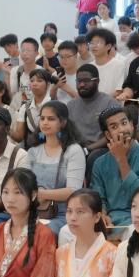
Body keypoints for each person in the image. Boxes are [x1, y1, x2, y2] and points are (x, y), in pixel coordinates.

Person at [26, 101, 86, 238]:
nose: (45, 122)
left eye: (51, 119)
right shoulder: (33, 151)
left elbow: (73, 191)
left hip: (64, 213)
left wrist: (41, 194)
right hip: (34, 211)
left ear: (63, 122)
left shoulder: (73, 151)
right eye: (42, 118)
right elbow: (24, 185)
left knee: (43, 233)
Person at [12, 68, 55, 148]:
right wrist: (6, 128)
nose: (35, 83)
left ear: (48, 84)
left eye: (39, 81)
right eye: (32, 81)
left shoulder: (55, 105)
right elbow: (19, 137)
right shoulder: (24, 108)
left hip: (52, 149)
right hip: (32, 151)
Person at [87, 29, 128, 98]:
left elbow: (119, 90)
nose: (94, 46)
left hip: (112, 103)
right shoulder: (89, 67)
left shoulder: (119, 65)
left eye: (98, 43)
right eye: (91, 43)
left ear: (108, 46)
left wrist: (101, 102)